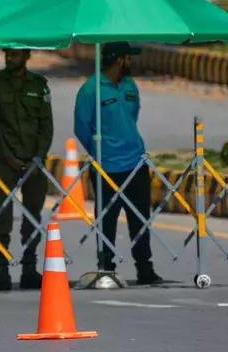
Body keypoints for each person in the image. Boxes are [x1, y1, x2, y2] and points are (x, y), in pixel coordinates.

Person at [73, 41, 163, 285]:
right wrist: (101, 151)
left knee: (140, 220)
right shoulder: (91, 89)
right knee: (107, 221)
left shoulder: (129, 85)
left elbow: (132, 115)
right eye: (128, 57)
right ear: (118, 59)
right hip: (106, 167)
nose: (131, 61)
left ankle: (145, 269)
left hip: (135, 163)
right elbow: (82, 127)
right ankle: (106, 267)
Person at [0, 48, 54, 290]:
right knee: (1, 214)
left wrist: (38, 157)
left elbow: (47, 125)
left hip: (35, 162)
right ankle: (1, 269)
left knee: (32, 215)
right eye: (7, 54)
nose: (9, 58)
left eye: (15, 54)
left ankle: (29, 268)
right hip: (6, 161)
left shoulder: (39, 84)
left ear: (26, 56)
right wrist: (7, 156)